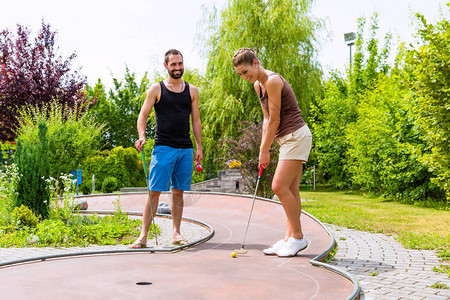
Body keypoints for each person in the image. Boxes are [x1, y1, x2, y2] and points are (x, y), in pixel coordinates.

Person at [232, 48, 312, 257]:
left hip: (296, 136)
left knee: (278, 186)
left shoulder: (273, 81)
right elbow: (267, 119)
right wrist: (262, 149)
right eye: (240, 74)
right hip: (286, 139)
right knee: (291, 191)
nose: (244, 77)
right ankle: (289, 238)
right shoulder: (259, 85)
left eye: (245, 71)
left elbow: (276, 119)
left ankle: (298, 237)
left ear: (256, 63)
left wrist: (266, 150)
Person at [129, 49, 203, 248]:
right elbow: (142, 116)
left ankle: (176, 233)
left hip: (185, 149)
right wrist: (142, 136)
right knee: (154, 192)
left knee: (178, 193)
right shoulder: (156, 89)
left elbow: (196, 121)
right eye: (173, 65)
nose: (177, 68)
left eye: (180, 64)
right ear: (166, 66)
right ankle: (143, 236)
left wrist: (199, 147)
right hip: (163, 148)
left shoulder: (192, 91)